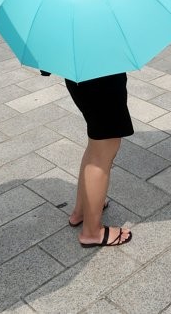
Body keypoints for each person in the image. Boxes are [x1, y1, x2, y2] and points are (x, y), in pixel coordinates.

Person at [63, 73, 134, 249]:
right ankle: (92, 232)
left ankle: (81, 212)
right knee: (104, 148)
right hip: (101, 77)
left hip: (83, 75)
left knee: (96, 146)